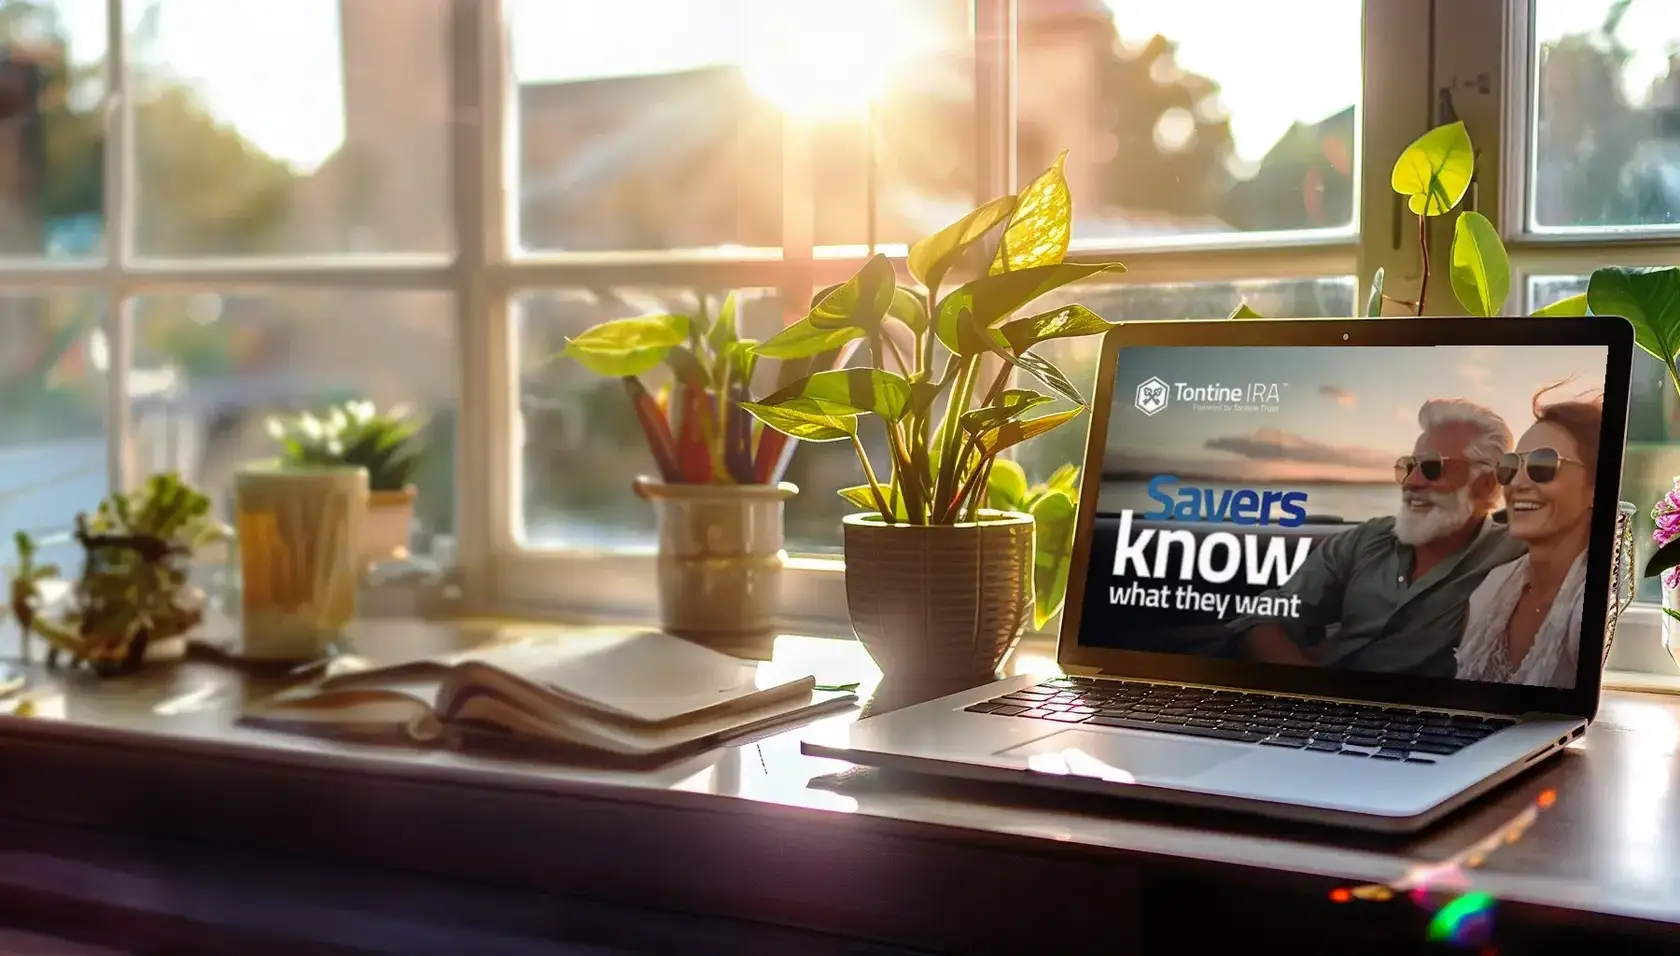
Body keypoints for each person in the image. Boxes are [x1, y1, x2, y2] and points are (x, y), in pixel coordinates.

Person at [1230, 398, 1527, 677]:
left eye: (1433, 467)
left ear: (1486, 485)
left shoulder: (1516, 550)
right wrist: (1310, 696)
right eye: (1408, 466)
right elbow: (1271, 613)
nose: (1411, 482)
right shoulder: (1369, 537)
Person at [1454, 387, 1601, 687]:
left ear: (1596, 486)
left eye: (1543, 464)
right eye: (1510, 466)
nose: (1517, 483)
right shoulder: (1490, 589)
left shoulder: (1591, 606)